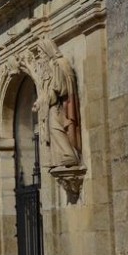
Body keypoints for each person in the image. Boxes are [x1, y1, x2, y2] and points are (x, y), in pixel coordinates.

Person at [37, 38, 81, 167]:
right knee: (54, 131)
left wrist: (44, 100)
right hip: (54, 105)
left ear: (47, 50)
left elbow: (60, 88)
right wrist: (41, 101)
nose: (39, 54)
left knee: (56, 129)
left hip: (60, 106)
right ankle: (64, 155)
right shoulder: (51, 65)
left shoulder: (58, 64)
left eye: (40, 51)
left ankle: (70, 154)